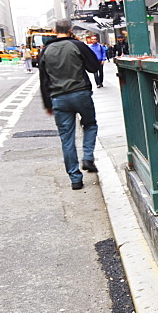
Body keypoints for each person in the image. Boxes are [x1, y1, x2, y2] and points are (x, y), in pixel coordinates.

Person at [38, 19, 100, 190]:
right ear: (71, 29)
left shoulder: (45, 51)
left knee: (67, 139)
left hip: (58, 98)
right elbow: (94, 67)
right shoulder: (77, 46)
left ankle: (75, 179)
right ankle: (87, 156)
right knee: (90, 124)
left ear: (54, 30)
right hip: (81, 93)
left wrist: (47, 104)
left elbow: (43, 80)